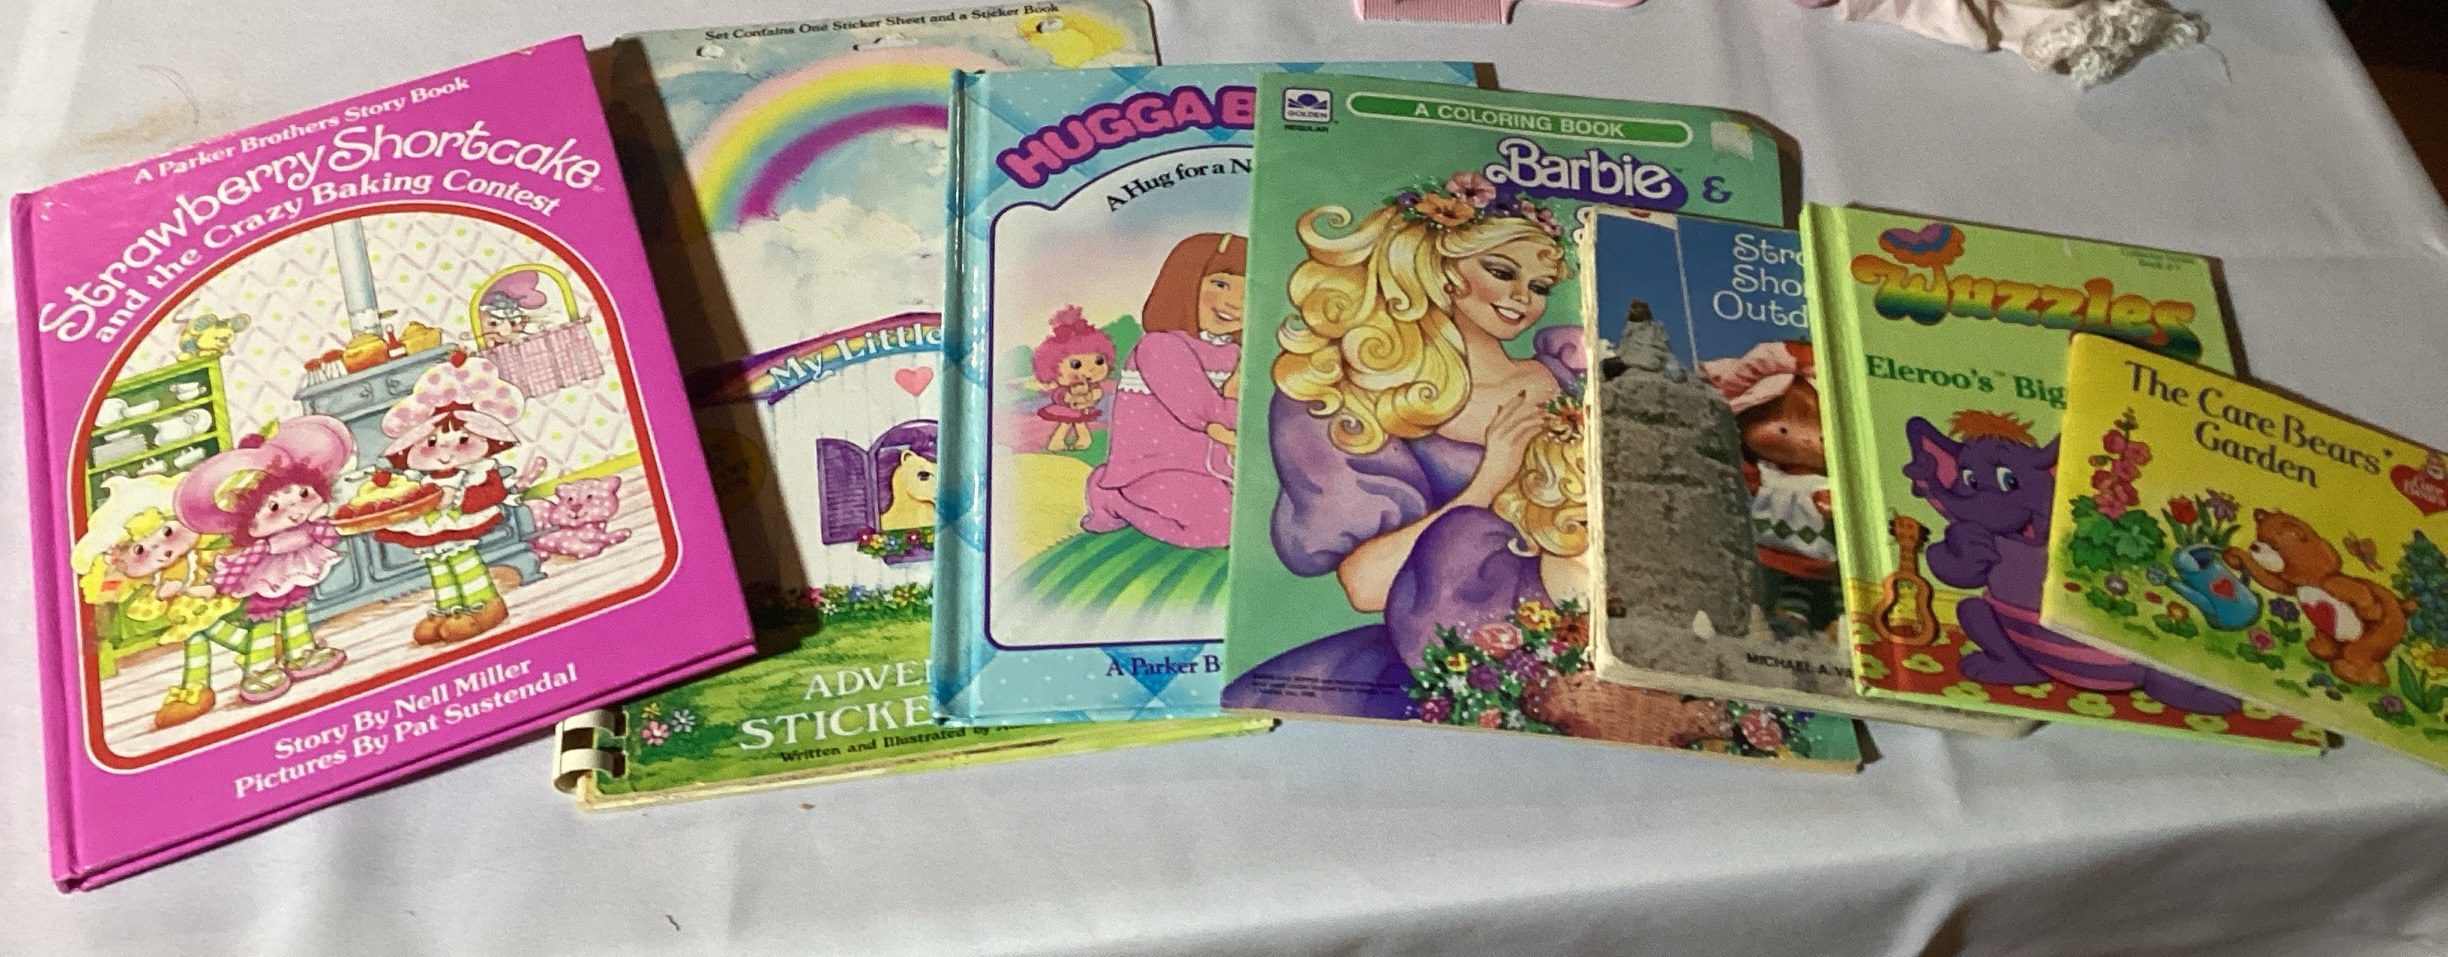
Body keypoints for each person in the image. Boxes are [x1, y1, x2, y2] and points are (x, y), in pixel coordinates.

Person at [1223, 173, 1596, 722]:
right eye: (1501, 272)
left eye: (1540, 286)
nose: (1523, 299)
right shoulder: (1356, 401)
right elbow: (1366, 587)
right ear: (1438, 270)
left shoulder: (1572, 375)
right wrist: (1490, 478)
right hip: (1453, 642)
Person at [1080, 232, 1247, 548]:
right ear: (1184, 283)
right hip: (1156, 468)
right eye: (1220, 284)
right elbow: (1206, 413)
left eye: (1247, 290)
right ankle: (1113, 498)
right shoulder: (1160, 347)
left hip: (1219, 467)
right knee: (1220, 528)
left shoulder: (1235, 352)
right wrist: (1235, 392)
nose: (1235, 302)